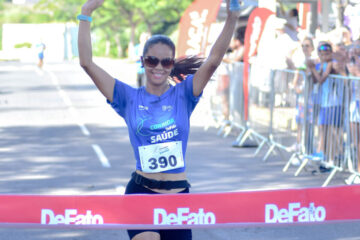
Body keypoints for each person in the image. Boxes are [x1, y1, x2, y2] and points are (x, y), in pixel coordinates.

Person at [77, 0, 240, 239]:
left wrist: (232, 16)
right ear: (143, 62)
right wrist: (86, 13)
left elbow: (214, 61)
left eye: (166, 62)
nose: (159, 67)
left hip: (178, 197)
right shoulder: (127, 97)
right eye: (152, 60)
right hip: (141, 192)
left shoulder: (184, 94)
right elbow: (86, 63)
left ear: (172, 65)